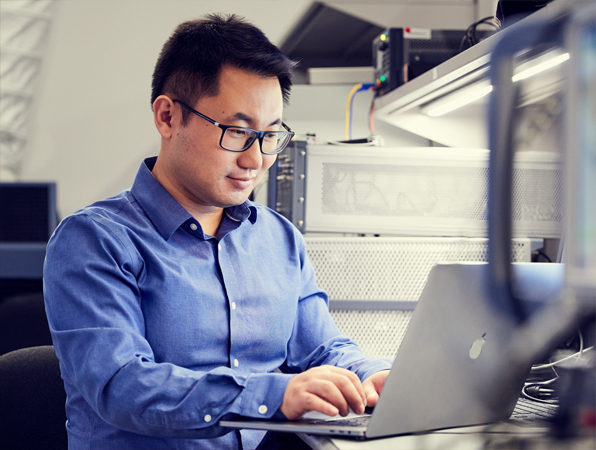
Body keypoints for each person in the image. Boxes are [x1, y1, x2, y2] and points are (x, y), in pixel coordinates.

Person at [43, 13, 391, 450]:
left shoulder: (279, 240)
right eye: (238, 132)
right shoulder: (94, 241)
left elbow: (320, 351)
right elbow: (122, 383)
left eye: (270, 136)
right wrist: (275, 394)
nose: (256, 159)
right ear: (168, 116)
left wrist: (370, 374)